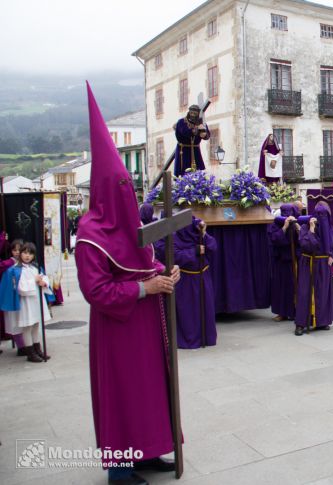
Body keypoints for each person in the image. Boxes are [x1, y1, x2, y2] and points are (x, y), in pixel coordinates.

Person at [76, 84, 181, 483]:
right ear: (105, 192)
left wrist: (162, 277)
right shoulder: (90, 233)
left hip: (147, 326)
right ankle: (121, 468)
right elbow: (97, 292)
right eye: (121, 188)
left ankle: (149, 451)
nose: (129, 195)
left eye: (131, 188)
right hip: (117, 332)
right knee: (124, 393)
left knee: (151, 389)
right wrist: (145, 289)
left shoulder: (131, 225)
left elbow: (145, 265)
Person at [0, 242, 54, 362]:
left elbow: (43, 277)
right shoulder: (16, 270)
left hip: (36, 301)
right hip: (26, 303)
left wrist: (43, 282)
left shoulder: (35, 267)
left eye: (30, 253)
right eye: (24, 253)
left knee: (36, 325)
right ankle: (30, 352)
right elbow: (20, 288)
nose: (27, 256)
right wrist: (34, 281)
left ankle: (37, 349)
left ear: (34, 255)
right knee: (27, 327)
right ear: (20, 254)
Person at [295, 201, 333, 336]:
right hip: (308, 263)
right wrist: (312, 230)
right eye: (319, 214)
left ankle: (322, 321)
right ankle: (301, 323)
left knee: (323, 292)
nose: (322, 217)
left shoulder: (330, 229)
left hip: (324, 265)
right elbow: (306, 245)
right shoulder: (305, 227)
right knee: (304, 293)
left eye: (324, 215)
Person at [173, 218, 217, 349]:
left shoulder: (199, 235)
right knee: (188, 311)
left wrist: (204, 233)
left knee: (205, 308)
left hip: (203, 277)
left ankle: (207, 337)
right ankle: (190, 339)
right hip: (186, 280)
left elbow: (213, 247)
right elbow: (174, 255)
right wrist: (195, 251)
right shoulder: (175, 237)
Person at [269, 203, 300, 321]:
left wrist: (296, 225)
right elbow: (274, 239)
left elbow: (303, 238)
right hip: (281, 261)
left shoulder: (298, 223)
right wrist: (285, 227)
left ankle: (295, 311)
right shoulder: (276, 224)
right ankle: (282, 312)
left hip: (295, 261)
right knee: (281, 287)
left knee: (294, 287)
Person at [173, 104, 209, 175]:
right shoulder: (181, 122)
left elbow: (207, 135)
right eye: (191, 112)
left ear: (198, 113)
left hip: (196, 151)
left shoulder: (201, 123)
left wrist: (204, 134)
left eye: (195, 113)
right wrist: (197, 129)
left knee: (198, 174)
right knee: (183, 173)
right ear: (189, 112)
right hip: (183, 151)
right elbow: (186, 132)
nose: (193, 114)